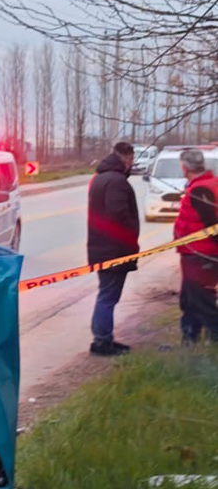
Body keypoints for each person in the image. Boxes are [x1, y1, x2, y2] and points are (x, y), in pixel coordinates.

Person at [87, 141, 140, 356]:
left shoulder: (100, 177)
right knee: (108, 296)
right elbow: (118, 215)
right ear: (127, 158)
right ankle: (102, 341)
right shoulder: (116, 182)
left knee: (106, 294)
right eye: (132, 159)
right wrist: (130, 239)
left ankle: (103, 337)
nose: (132, 164)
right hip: (114, 250)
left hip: (101, 248)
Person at [174, 148, 218, 344]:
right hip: (195, 254)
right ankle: (189, 340)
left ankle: (214, 339)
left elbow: (212, 226)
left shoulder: (201, 190)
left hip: (201, 255)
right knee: (189, 299)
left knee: (202, 301)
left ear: (185, 168)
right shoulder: (207, 184)